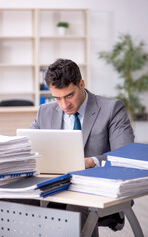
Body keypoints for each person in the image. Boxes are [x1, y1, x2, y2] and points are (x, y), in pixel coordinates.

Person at [30, 58, 134, 236]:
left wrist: (92, 162)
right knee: (7, 200)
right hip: (54, 184)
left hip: (94, 188)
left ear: (81, 84)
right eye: (57, 98)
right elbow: (29, 147)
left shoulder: (111, 109)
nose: (64, 105)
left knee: (75, 209)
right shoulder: (44, 112)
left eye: (69, 95)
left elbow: (126, 157)